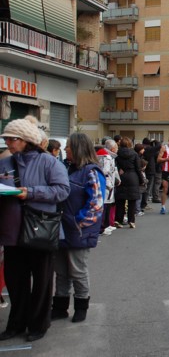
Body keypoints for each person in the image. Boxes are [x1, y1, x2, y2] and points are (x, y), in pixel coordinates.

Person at [0, 116, 70, 342]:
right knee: (15, 282)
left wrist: (29, 192)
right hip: (12, 232)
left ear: (26, 140)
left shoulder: (49, 162)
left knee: (42, 282)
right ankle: (16, 324)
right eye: (7, 139)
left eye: (12, 139)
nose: (8, 143)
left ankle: (39, 324)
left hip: (41, 230)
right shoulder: (5, 163)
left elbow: (61, 191)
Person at [51, 133, 105, 324]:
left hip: (76, 229)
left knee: (77, 270)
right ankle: (60, 307)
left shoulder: (91, 171)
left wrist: (77, 222)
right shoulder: (68, 169)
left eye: (69, 147)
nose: (65, 149)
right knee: (61, 270)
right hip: (63, 228)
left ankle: (81, 307)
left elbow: (96, 204)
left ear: (78, 149)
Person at [115, 137, 145, 228]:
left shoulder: (117, 154)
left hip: (121, 176)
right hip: (133, 177)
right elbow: (138, 168)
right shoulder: (134, 154)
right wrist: (141, 180)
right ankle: (131, 220)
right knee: (132, 200)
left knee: (120, 200)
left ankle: (119, 220)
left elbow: (116, 166)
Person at [97, 139, 121, 235]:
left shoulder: (106, 156)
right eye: (116, 148)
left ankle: (106, 224)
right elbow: (106, 170)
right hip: (107, 182)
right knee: (105, 205)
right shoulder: (106, 157)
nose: (117, 149)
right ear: (112, 148)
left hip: (108, 182)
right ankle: (103, 226)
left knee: (108, 204)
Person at [142, 137, 161, 205]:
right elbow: (159, 145)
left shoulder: (145, 150)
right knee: (148, 187)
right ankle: (144, 203)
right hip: (150, 170)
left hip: (147, 169)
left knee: (147, 186)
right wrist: (155, 141)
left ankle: (144, 202)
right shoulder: (149, 149)